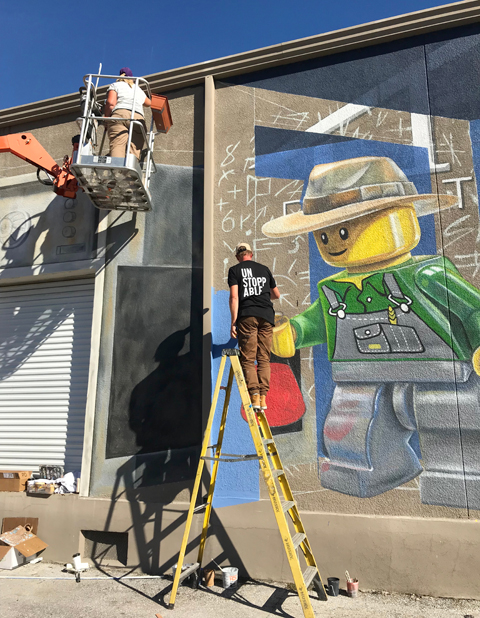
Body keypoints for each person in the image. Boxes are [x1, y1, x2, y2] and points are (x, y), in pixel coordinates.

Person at [262, 155, 480, 509]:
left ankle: (457, 480)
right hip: (360, 378)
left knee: (452, 430)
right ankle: (364, 472)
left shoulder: (427, 275)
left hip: (442, 377)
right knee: (351, 433)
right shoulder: (335, 289)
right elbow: (317, 322)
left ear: (401, 217)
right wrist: (293, 333)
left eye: (344, 230)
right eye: (324, 234)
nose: (333, 242)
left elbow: (472, 309)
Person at [228, 242, 281, 411]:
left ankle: (255, 397)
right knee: (264, 358)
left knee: (248, 358)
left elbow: (234, 298)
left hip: (247, 316)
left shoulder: (235, 271)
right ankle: (264, 398)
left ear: (238, 257)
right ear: (251, 254)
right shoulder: (264, 269)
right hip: (266, 316)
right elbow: (276, 295)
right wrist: (262, 297)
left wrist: (233, 321)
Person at [104, 68, 151, 159]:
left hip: (120, 115)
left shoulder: (116, 85)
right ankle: (130, 172)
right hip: (137, 118)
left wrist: (106, 119)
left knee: (117, 146)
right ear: (132, 78)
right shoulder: (138, 89)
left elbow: (110, 103)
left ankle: (117, 172)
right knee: (134, 150)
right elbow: (148, 103)